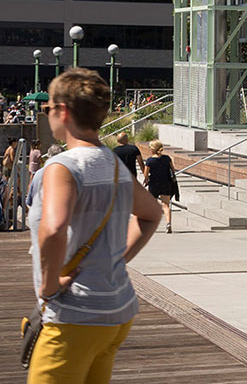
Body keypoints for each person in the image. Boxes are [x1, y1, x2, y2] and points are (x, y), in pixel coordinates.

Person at [27, 68, 161, 384]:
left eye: (47, 108)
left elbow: (54, 228)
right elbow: (152, 214)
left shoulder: (61, 166)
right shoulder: (111, 163)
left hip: (75, 316)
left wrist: (49, 285)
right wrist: (115, 260)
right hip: (116, 311)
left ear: (63, 111)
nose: (47, 114)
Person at [142, 140, 177, 234]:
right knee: (166, 204)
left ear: (153, 149)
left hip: (154, 185)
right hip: (166, 183)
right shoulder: (167, 158)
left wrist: (146, 180)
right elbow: (173, 171)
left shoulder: (149, 160)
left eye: (150, 147)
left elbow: (145, 175)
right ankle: (168, 224)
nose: (149, 149)